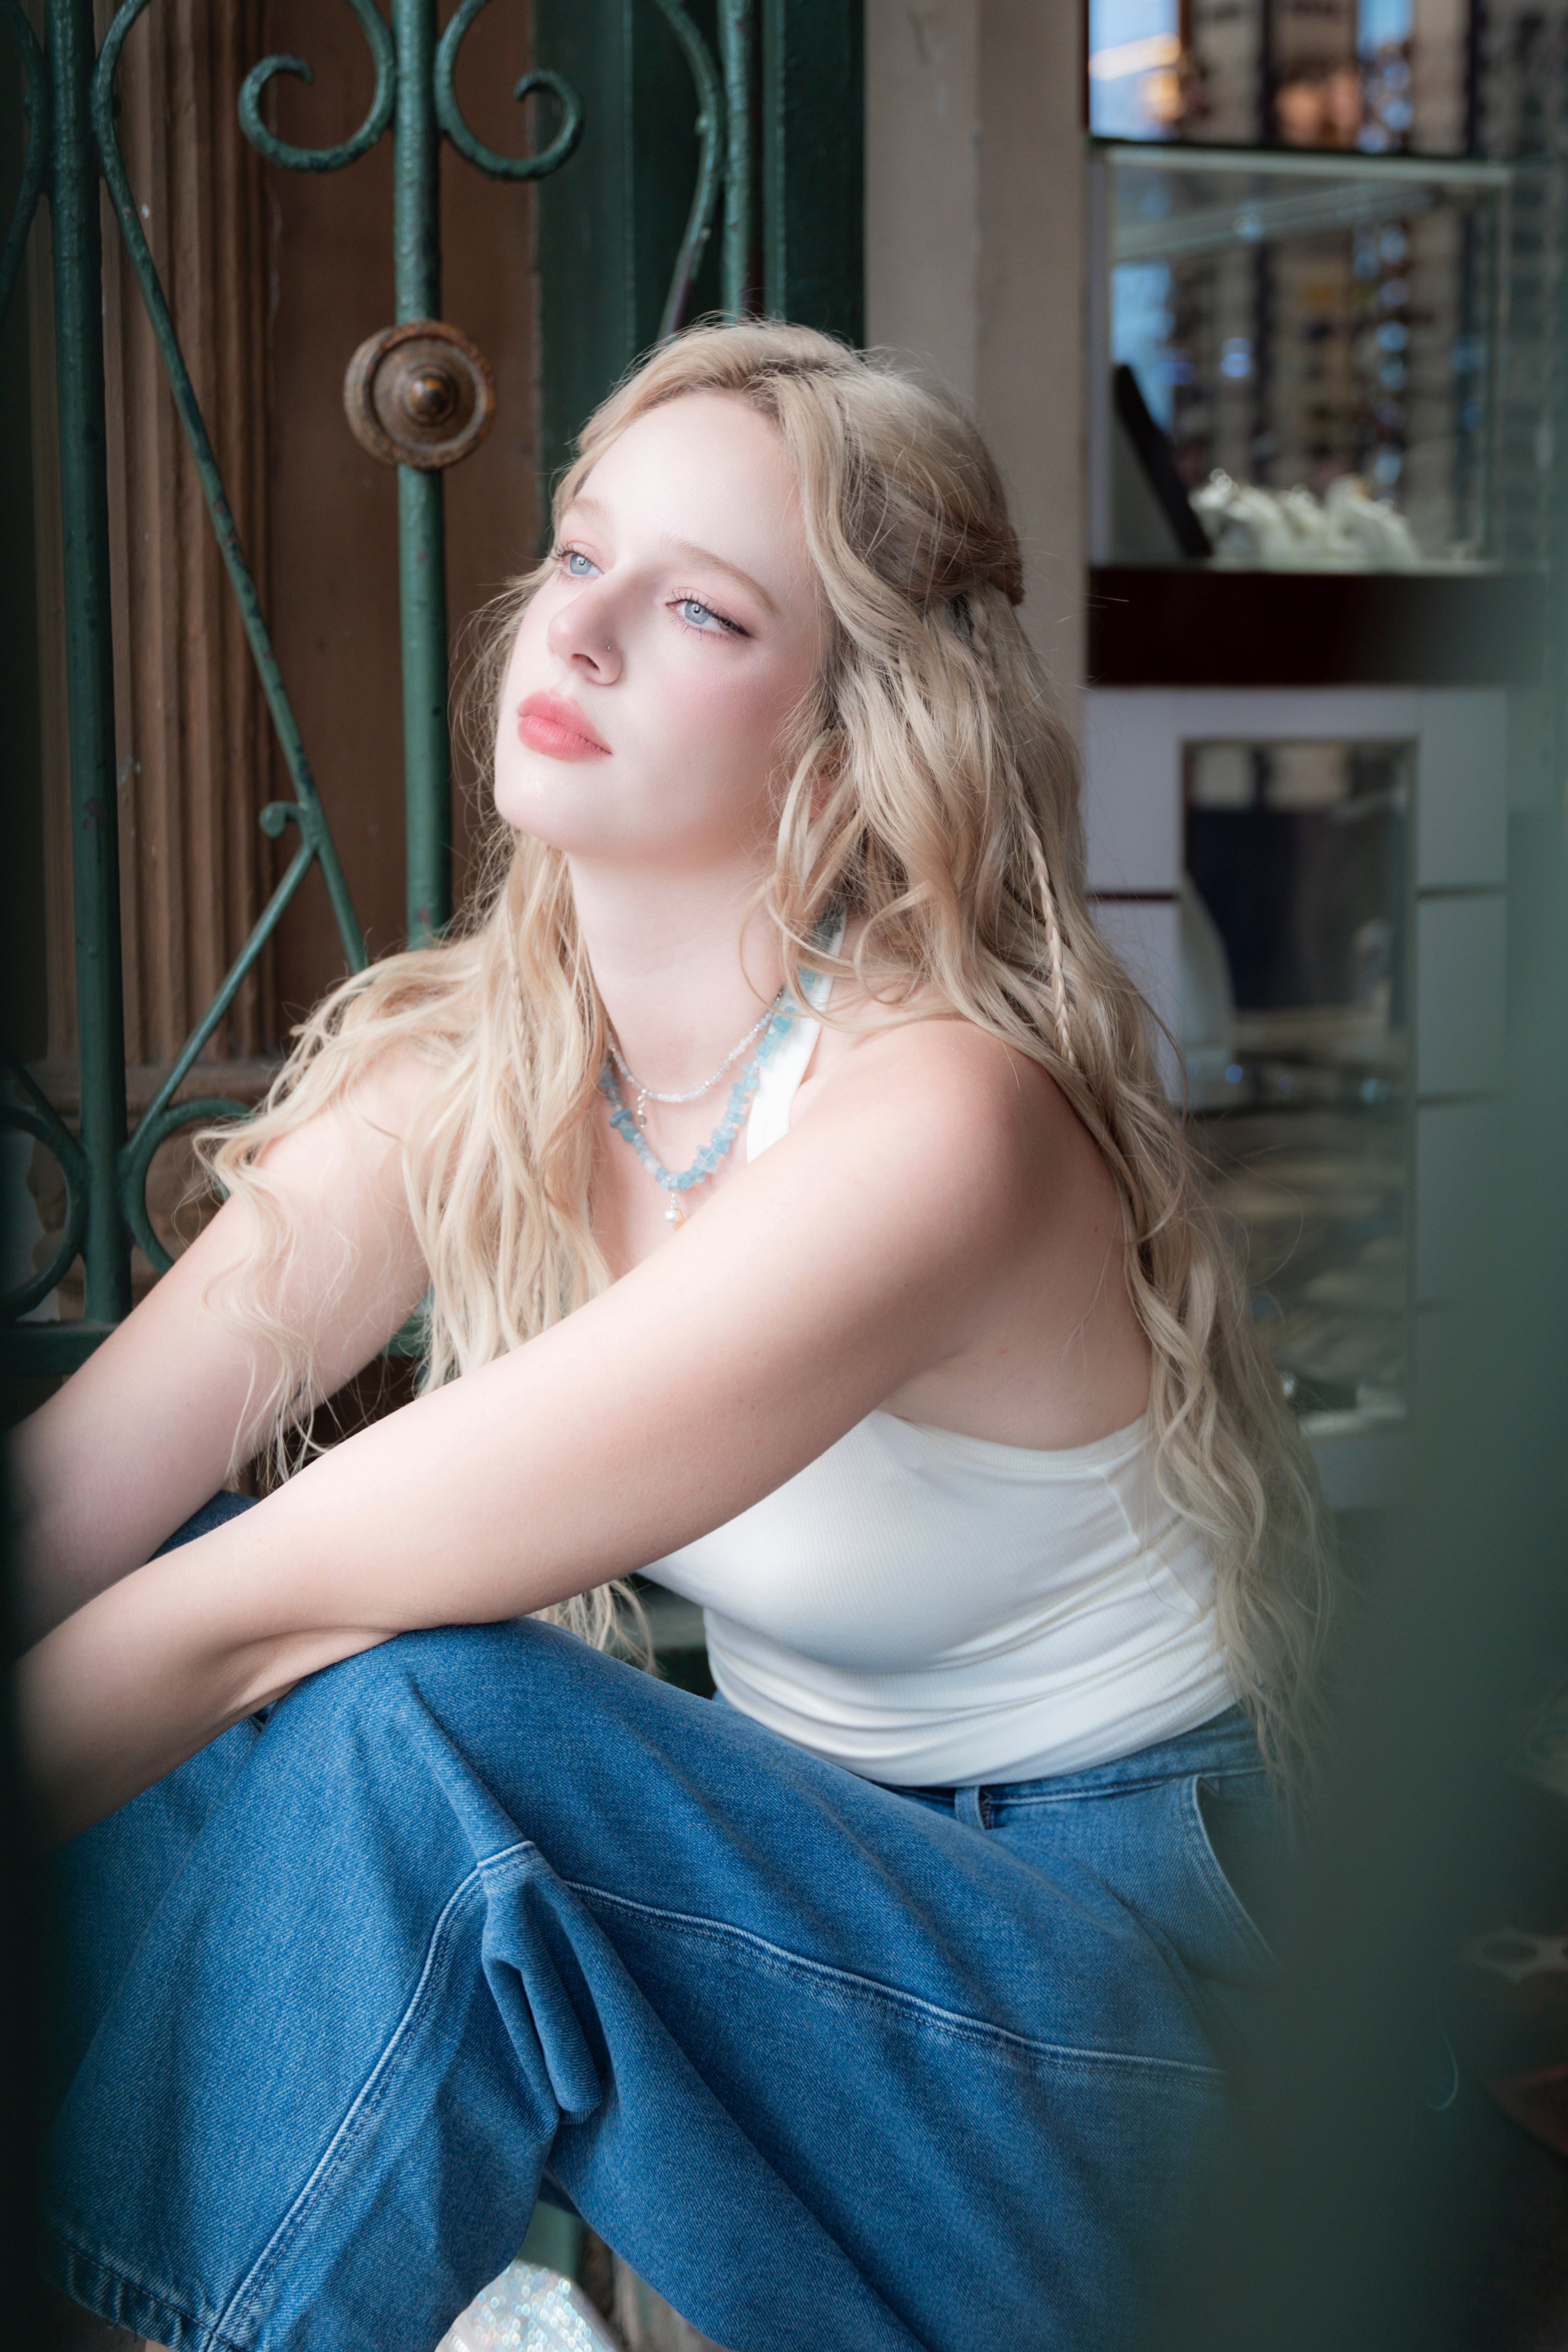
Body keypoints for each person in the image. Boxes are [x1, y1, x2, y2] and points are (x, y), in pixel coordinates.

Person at [14, 322, 1332, 2352]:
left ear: (848, 737)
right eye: (577, 554)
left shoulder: (938, 1124)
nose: (582, 628)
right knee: (225, 1673)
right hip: (821, 1949)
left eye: (702, 607)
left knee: (417, 1715)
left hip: (1158, 2046)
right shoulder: (485, 1071)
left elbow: (269, 1608)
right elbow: (70, 1514)